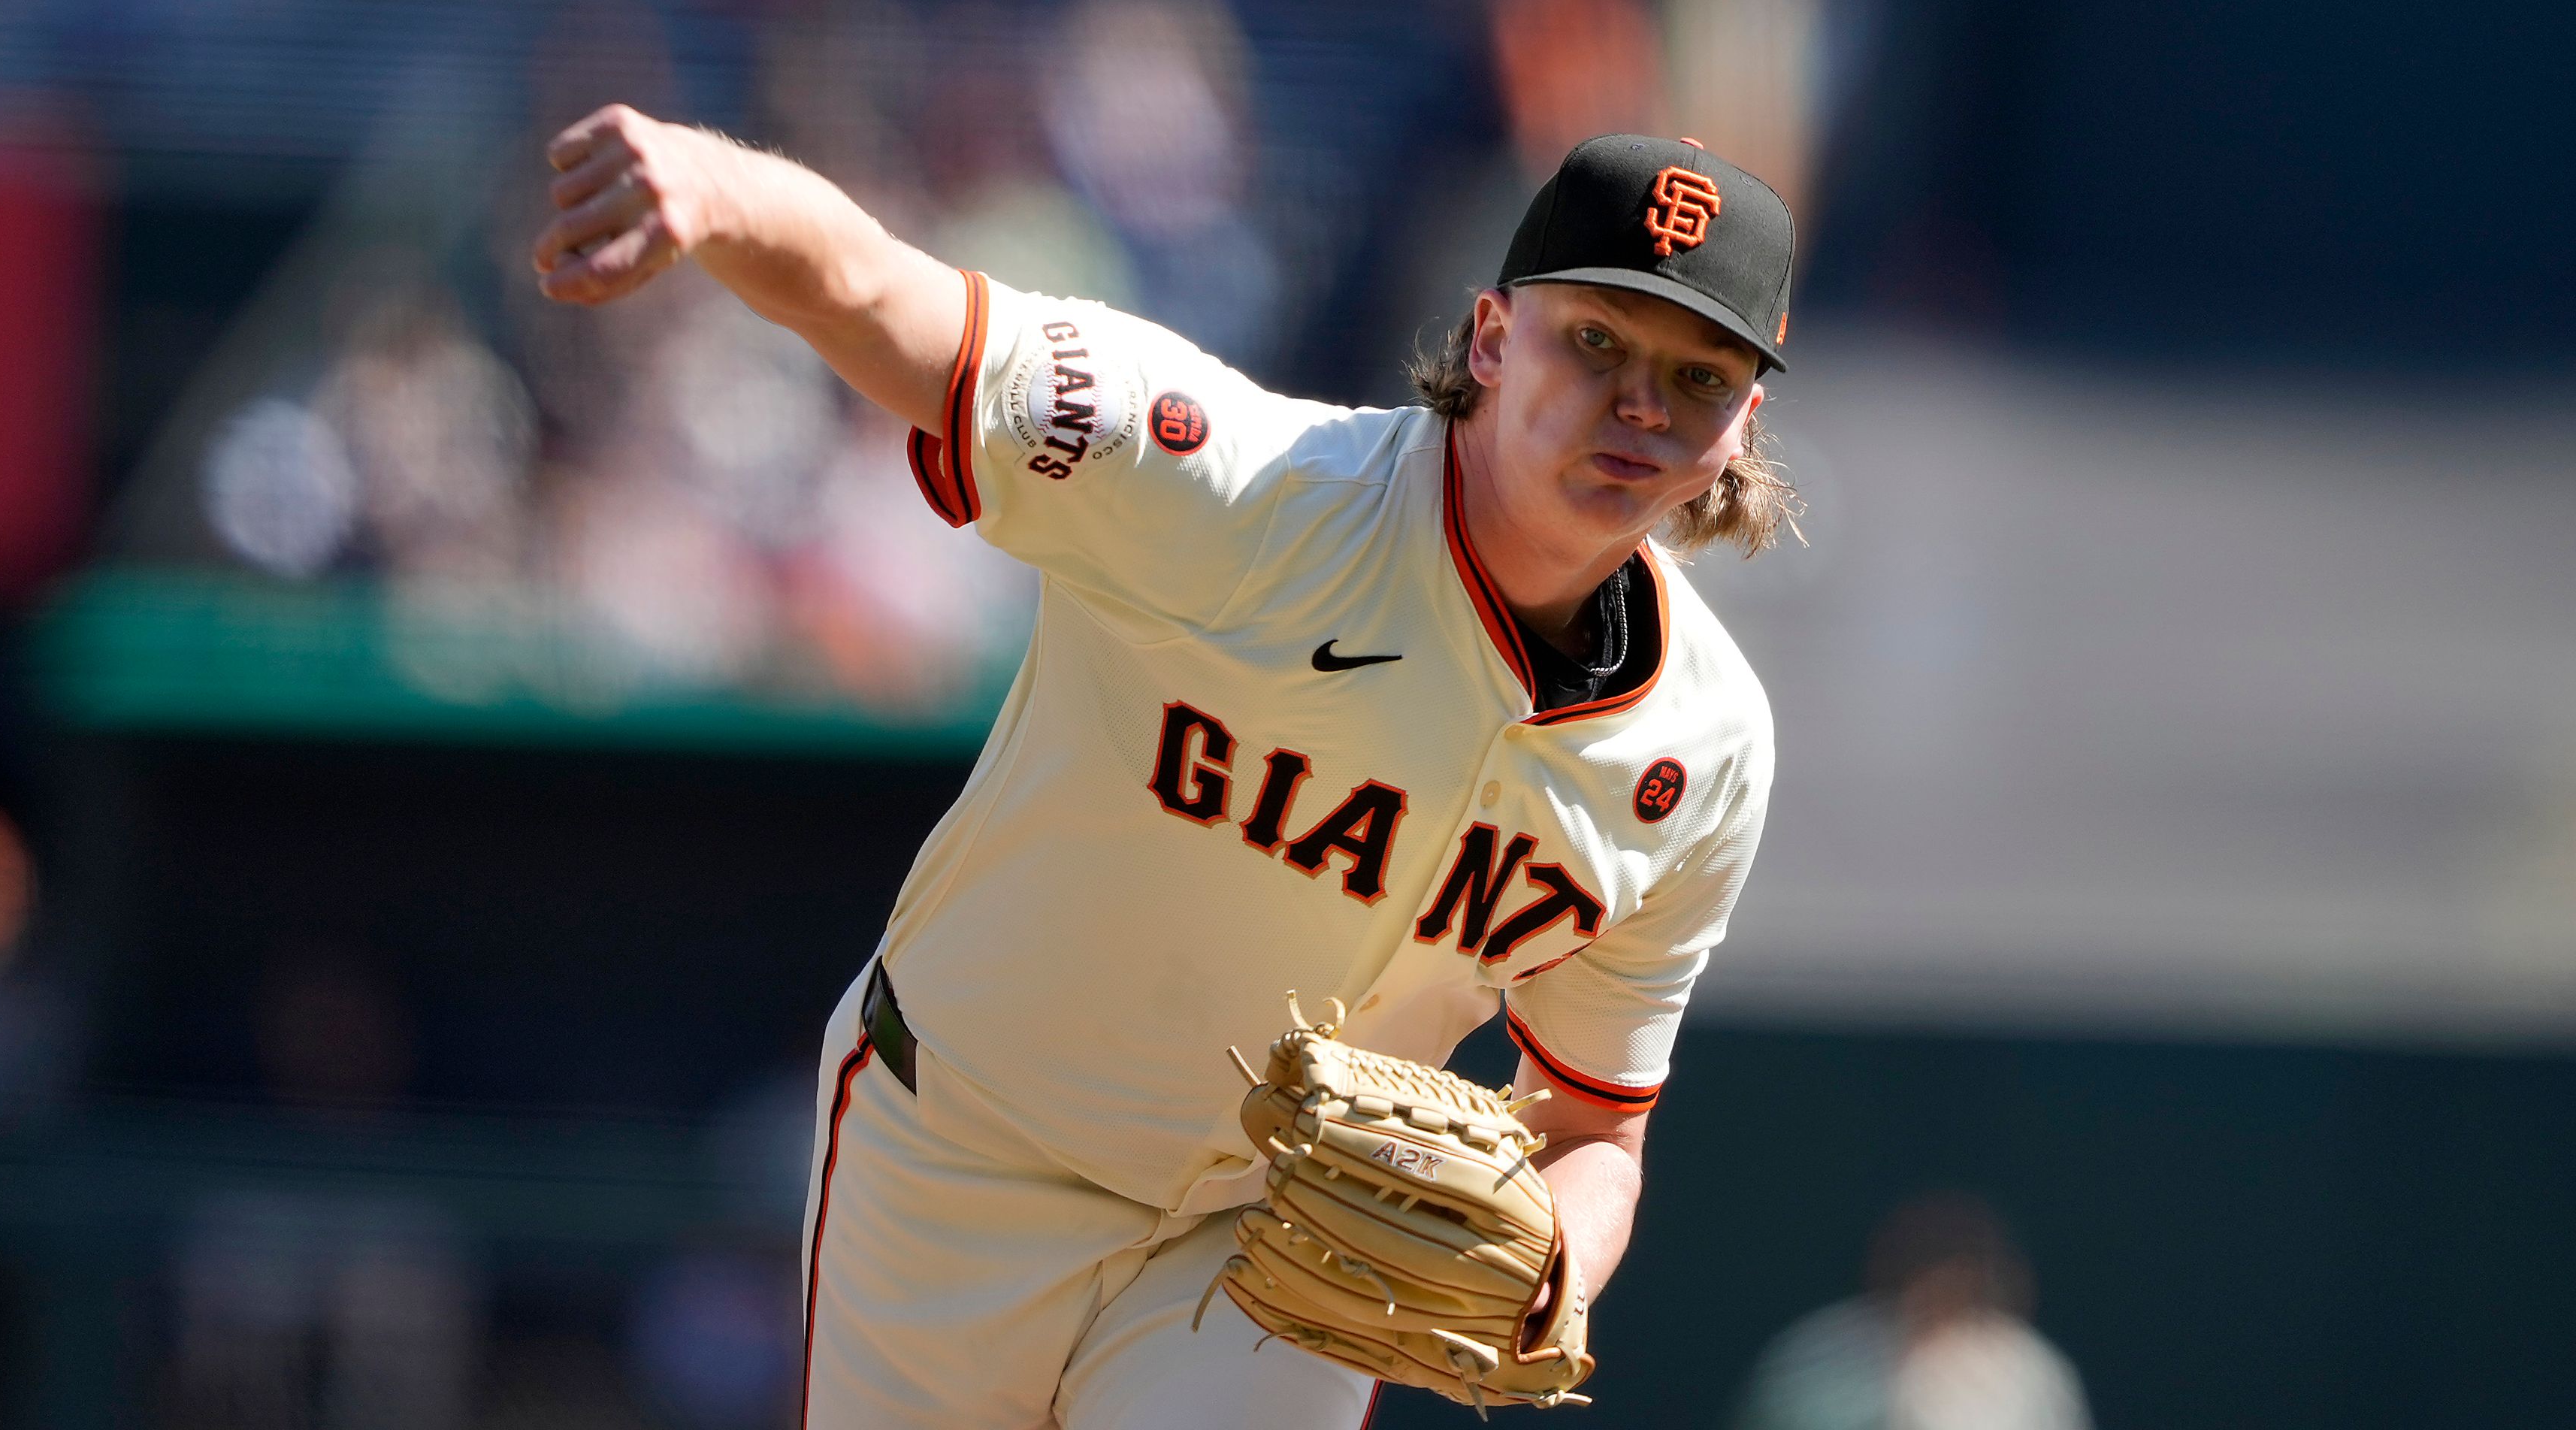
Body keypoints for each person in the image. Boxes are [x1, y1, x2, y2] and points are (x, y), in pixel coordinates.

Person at [533, 113, 1798, 1428]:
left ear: (1744, 422)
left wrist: (1554, 1267)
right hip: (965, 1144)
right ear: (1491, 339)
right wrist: (713, 189)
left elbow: (1594, 1129)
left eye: (1700, 377)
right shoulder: (1239, 491)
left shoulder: (1704, 751)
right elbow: (890, 303)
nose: (1642, 404)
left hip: (1268, 1245)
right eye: (1596, 341)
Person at [1731, 1193, 2094, 1430]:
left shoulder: (2029, 1370)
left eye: (1957, 1265)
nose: (1940, 1282)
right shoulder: (1817, 1353)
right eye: (1926, 1261)